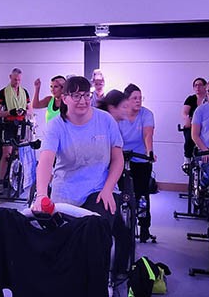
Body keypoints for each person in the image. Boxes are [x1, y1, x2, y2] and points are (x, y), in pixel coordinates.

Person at [32, 76, 130, 283]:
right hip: (65, 192)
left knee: (95, 238)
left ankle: (97, 284)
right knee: (62, 245)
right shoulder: (56, 126)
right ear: (64, 98)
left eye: (86, 95)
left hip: (99, 189)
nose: (83, 101)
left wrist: (108, 189)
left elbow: (117, 159)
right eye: (76, 95)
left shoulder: (105, 121)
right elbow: (46, 160)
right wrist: (41, 194)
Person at [121, 84, 157, 243]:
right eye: (134, 98)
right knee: (120, 192)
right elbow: (113, 136)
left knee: (142, 193)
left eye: (140, 98)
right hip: (120, 156)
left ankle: (144, 227)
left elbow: (147, 134)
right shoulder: (119, 115)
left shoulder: (147, 114)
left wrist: (149, 152)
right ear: (126, 100)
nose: (138, 101)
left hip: (140, 157)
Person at [0, 68, 30, 187]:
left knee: (19, 154)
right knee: (6, 154)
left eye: (19, 80)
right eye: (15, 79)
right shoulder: (3, 92)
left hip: (21, 125)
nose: (17, 82)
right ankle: (0, 182)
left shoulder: (25, 92)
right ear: (10, 77)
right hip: (9, 125)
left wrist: (24, 112)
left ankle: (18, 182)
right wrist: (10, 112)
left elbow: (30, 110)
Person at [181, 78, 207, 159]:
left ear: (205, 87)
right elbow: (184, 112)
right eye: (195, 85)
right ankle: (187, 159)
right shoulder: (191, 99)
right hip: (193, 124)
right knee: (189, 138)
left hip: (206, 125)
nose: (197, 87)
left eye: (200, 85)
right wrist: (187, 119)